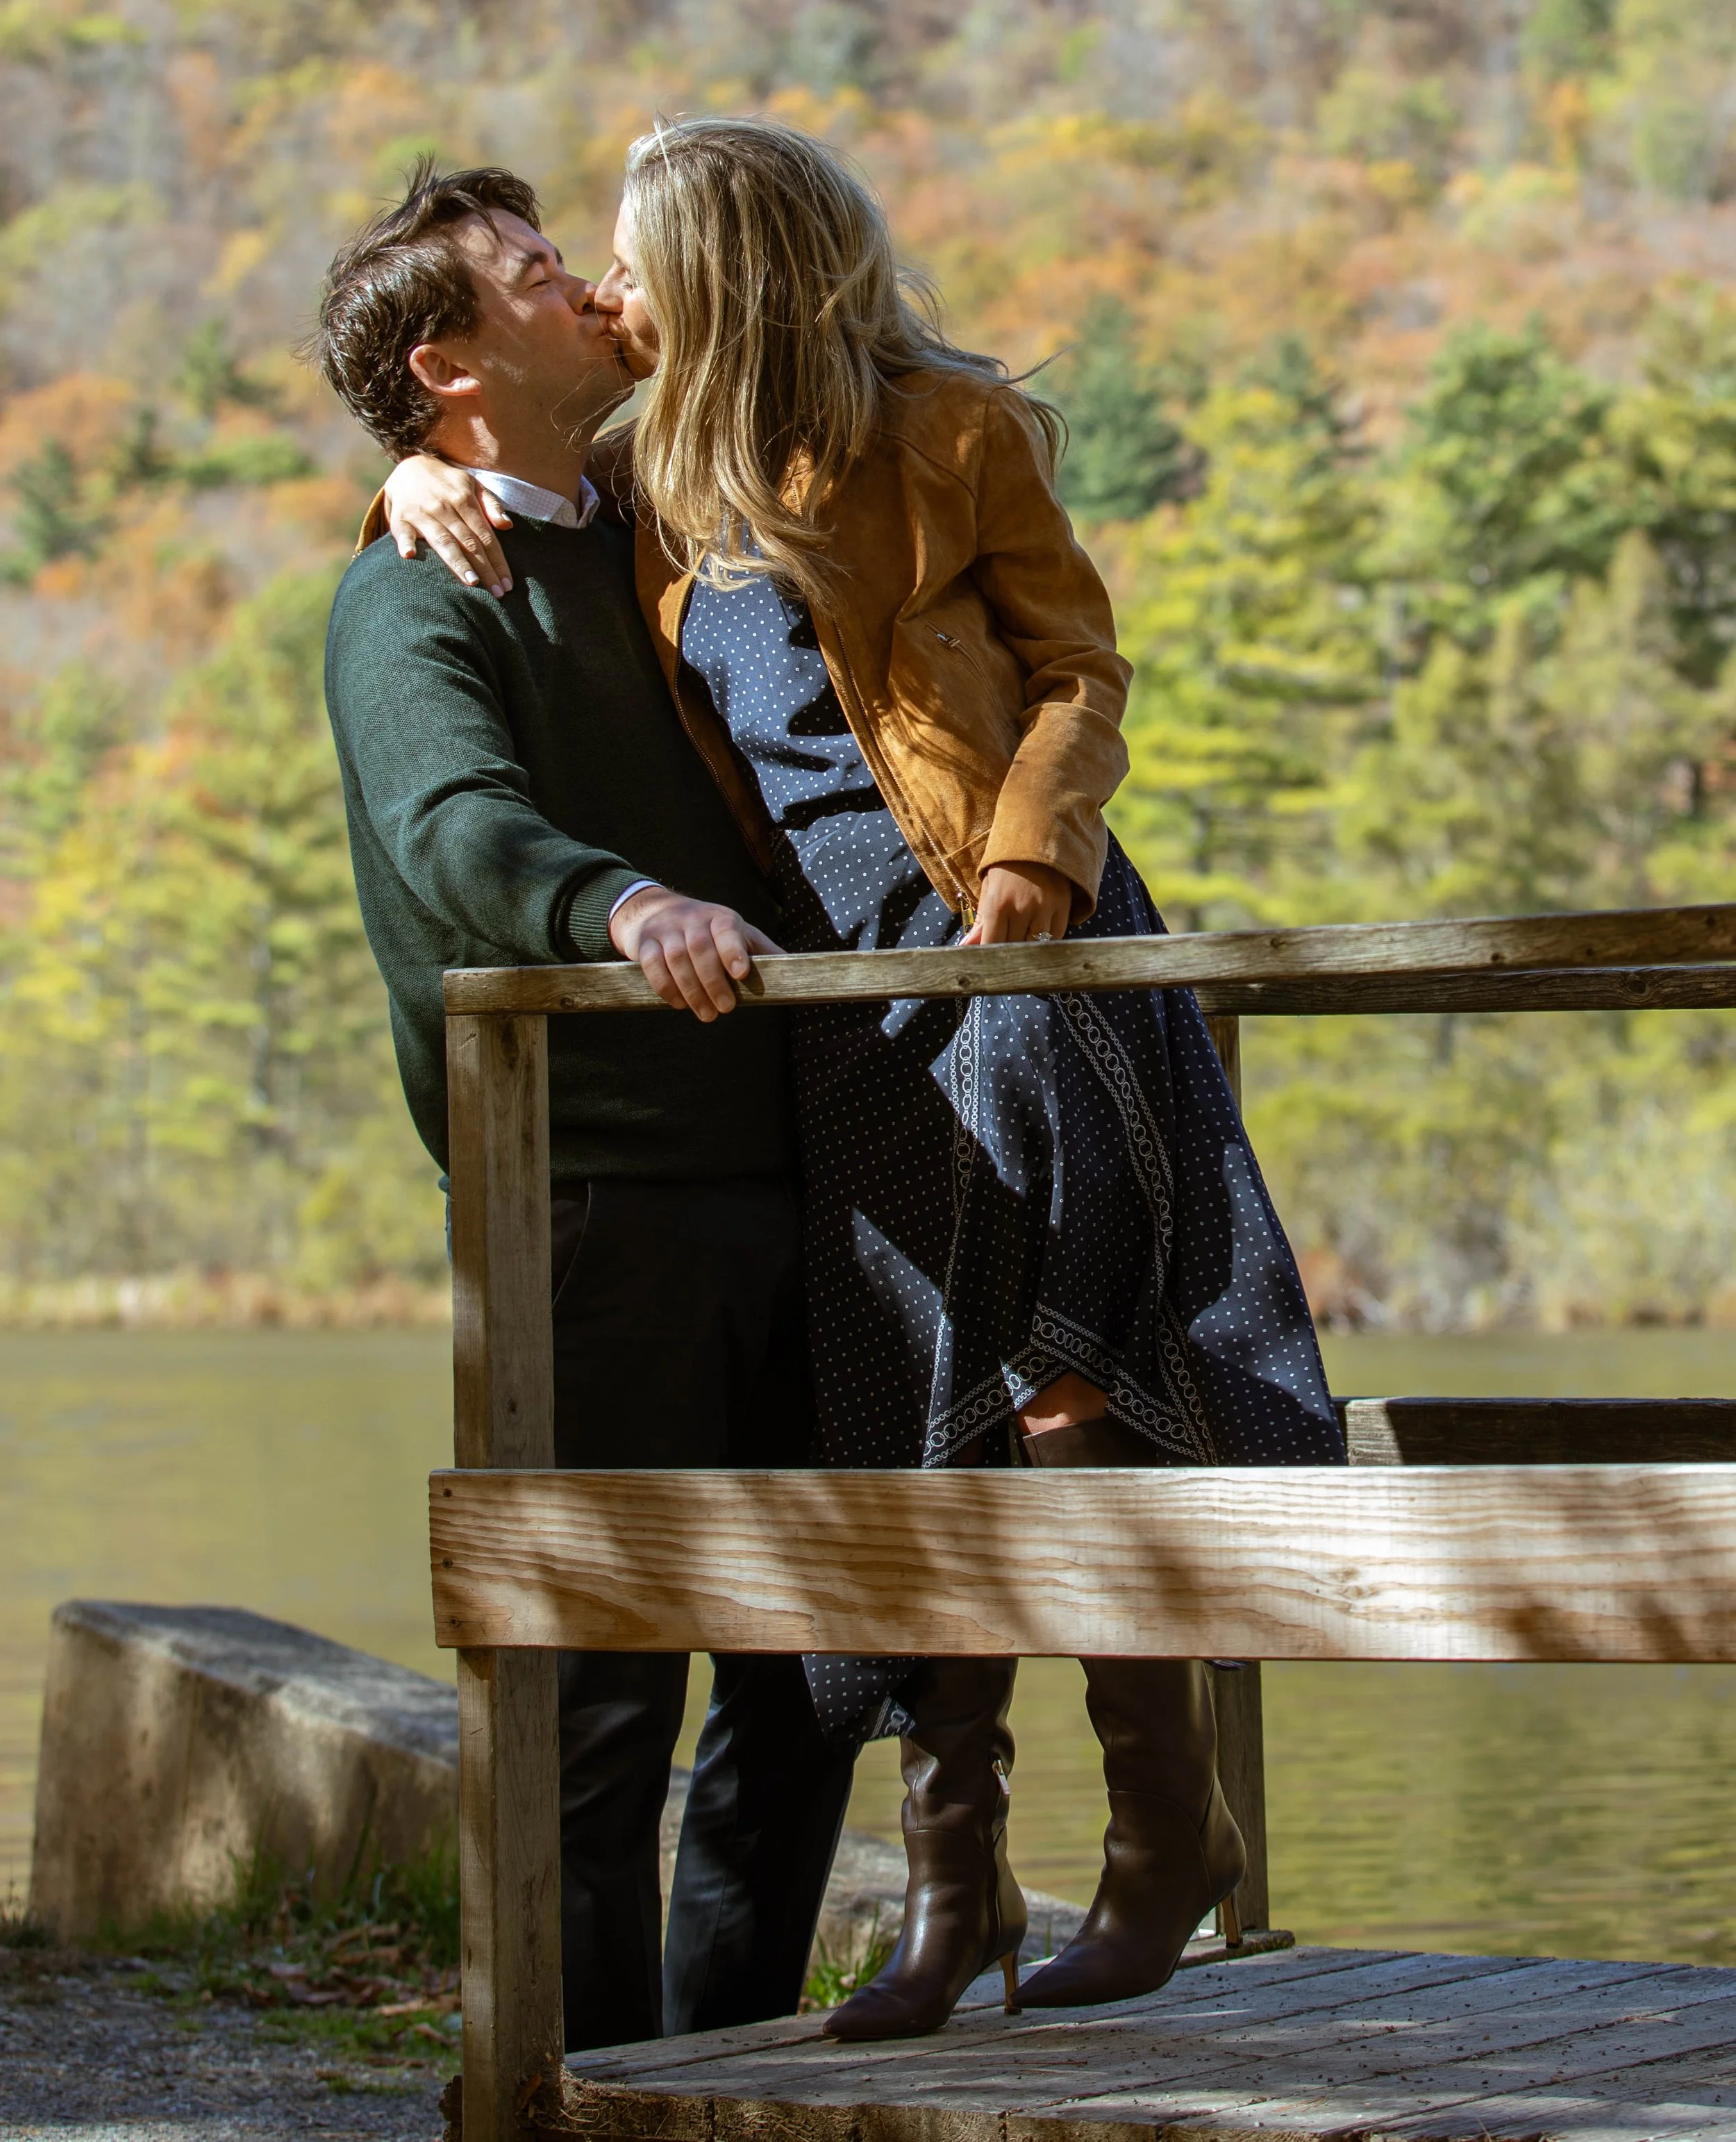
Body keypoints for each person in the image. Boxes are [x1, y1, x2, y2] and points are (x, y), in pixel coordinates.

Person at [375, 116, 1349, 2044]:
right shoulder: (661, 473)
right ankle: (954, 1884)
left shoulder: (946, 424)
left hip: (1009, 948)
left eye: (639, 261)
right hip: (841, 1009)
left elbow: (1079, 665)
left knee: (1063, 1387)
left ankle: (1165, 1840)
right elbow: (511, 499)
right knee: (911, 1415)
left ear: (734, 264)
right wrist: (409, 472)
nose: (608, 293)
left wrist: (1030, 856)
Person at [312, 158, 860, 2054]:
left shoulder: (657, 517)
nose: (591, 293)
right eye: (543, 275)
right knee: (603, 1697)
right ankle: (594, 2095)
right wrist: (622, 902)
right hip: (590, 1199)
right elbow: (449, 828)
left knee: (812, 1672)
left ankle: (729, 2077)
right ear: (447, 362)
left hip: (796, 1168)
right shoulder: (412, 585)